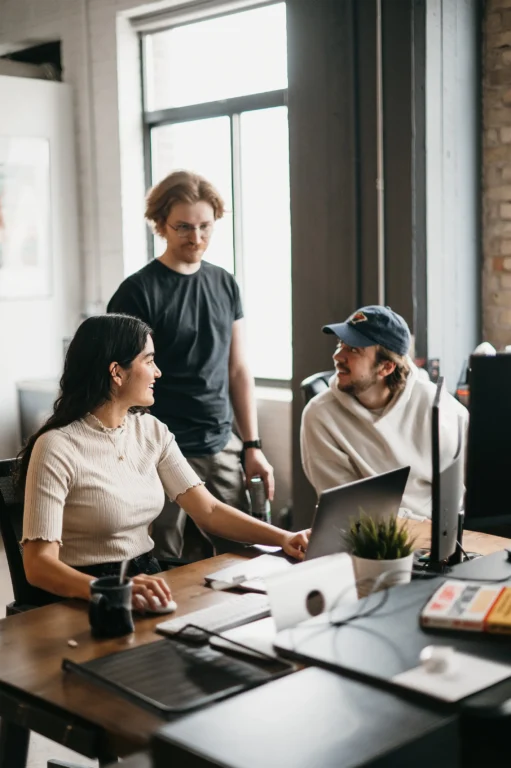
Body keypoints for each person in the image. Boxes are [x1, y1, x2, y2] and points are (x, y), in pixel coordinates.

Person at [18, 314, 309, 607]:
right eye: (149, 361)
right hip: (82, 595)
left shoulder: (151, 431)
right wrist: (113, 590)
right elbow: (38, 564)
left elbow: (208, 510)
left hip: (148, 581)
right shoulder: (56, 446)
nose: (157, 372)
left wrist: (284, 537)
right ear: (117, 372)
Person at [107, 170, 273, 561]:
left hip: (221, 444)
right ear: (161, 223)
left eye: (205, 227)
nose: (196, 238)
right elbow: (119, 380)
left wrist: (252, 445)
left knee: (241, 556)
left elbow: (237, 370)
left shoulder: (225, 284)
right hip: (159, 449)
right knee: (164, 562)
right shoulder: (137, 292)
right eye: (183, 227)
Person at [300, 305, 468, 519]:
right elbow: (346, 508)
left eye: (353, 350)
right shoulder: (320, 415)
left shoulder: (436, 405)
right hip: (372, 534)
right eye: (340, 344)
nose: (338, 356)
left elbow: (471, 482)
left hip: (441, 529)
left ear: (386, 367)